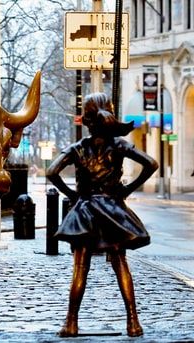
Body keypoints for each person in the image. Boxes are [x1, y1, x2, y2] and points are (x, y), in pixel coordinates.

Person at [46, 92, 158, 337]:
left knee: (80, 269)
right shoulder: (119, 145)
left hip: (85, 211)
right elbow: (151, 163)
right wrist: (127, 189)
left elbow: (52, 171)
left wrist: (73, 195)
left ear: (86, 121)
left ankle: (71, 323)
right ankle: (133, 323)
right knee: (121, 265)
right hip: (113, 210)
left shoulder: (78, 148)